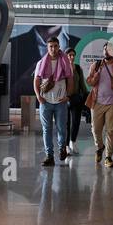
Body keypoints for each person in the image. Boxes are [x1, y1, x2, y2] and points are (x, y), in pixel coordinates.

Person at [33, 37, 72, 167]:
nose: (53, 49)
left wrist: (68, 95)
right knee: (46, 129)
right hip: (45, 102)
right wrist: (38, 96)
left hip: (61, 101)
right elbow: (36, 81)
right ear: (47, 47)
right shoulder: (41, 63)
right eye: (51, 46)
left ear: (59, 46)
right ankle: (49, 155)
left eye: (55, 46)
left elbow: (70, 79)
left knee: (62, 128)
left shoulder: (65, 61)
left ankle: (62, 149)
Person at [88, 45, 113, 167]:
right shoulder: (96, 65)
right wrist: (95, 78)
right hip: (97, 102)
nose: (107, 51)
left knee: (110, 130)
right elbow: (89, 82)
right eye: (105, 49)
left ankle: (108, 157)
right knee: (96, 129)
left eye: (109, 50)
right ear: (103, 51)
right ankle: (100, 147)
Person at [65, 48, 89, 156]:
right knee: (66, 124)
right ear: (66, 56)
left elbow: (82, 85)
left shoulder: (78, 68)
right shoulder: (62, 68)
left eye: (73, 55)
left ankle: (72, 142)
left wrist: (87, 95)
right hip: (64, 100)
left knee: (76, 122)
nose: (71, 57)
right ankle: (66, 146)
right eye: (69, 55)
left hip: (76, 99)